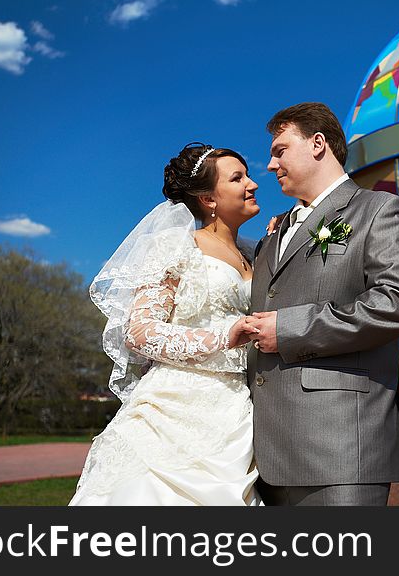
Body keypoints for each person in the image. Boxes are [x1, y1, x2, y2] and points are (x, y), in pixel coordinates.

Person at [247, 102, 399, 506]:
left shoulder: (380, 210)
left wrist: (290, 329)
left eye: (279, 150)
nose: (271, 165)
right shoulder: (272, 235)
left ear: (317, 144)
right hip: (263, 457)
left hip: (341, 450)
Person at [70, 143, 263, 506]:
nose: (253, 184)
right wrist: (223, 336)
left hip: (239, 410)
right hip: (174, 410)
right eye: (238, 178)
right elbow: (139, 331)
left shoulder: (255, 253)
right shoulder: (175, 246)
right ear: (208, 199)